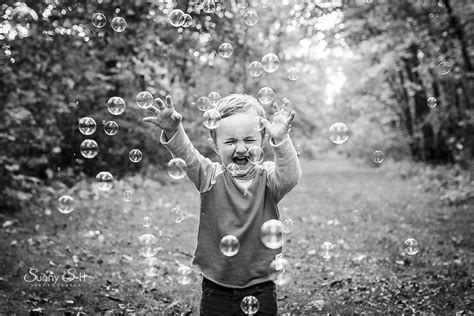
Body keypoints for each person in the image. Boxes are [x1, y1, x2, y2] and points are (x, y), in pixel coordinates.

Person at [143, 93, 302, 315]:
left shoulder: (268, 179)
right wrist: (173, 131)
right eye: (230, 141)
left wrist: (281, 141)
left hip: (261, 286)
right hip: (216, 287)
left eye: (248, 140)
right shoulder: (209, 176)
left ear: (263, 140)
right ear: (215, 145)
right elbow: (188, 157)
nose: (240, 148)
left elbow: (290, 177)